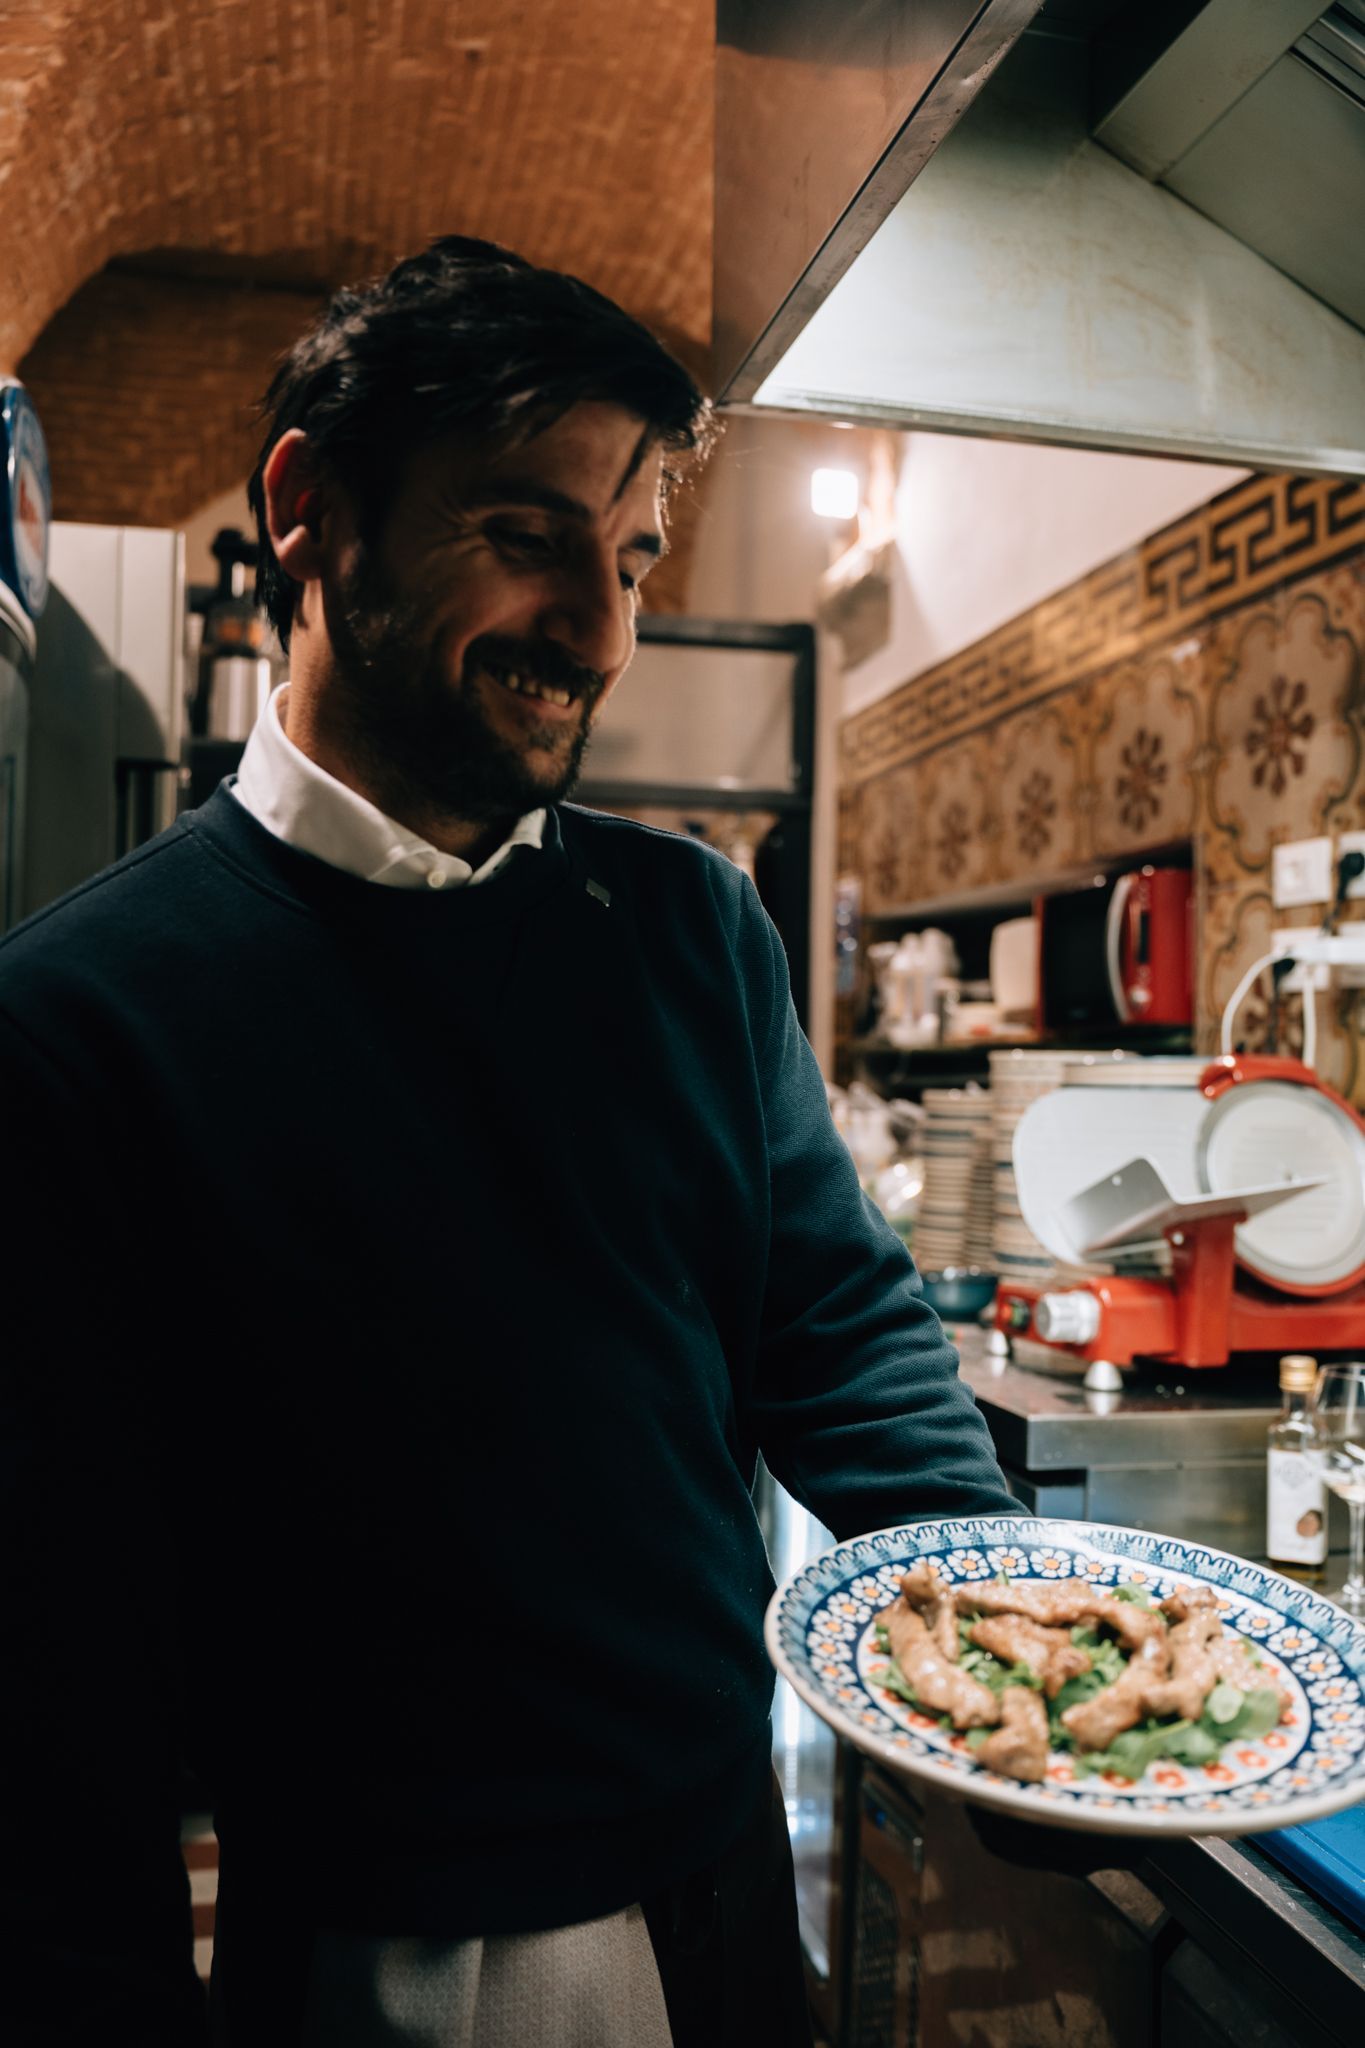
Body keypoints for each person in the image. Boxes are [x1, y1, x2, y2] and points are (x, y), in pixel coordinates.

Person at [0, 236, 1017, 2048]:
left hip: (723, 1885)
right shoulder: (80, 1025)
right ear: (310, 510)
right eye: (528, 537)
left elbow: (836, 1328)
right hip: (394, 1946)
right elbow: (58, 1676)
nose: (602, 633)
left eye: (628, 561)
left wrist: (1014, 1631)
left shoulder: (691, 931)